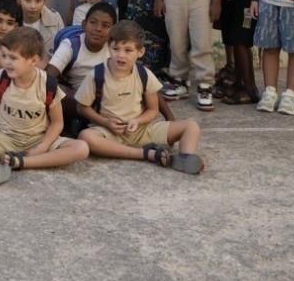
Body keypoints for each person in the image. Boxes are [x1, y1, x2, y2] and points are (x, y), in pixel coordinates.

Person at [0, 27, 90, 186]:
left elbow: (57, 122)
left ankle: (20, 162)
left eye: (13, 58)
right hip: (2, 137)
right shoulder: (2, 77)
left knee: (81, 148)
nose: (6, 62)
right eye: (4, 56)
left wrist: (43, 146)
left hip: (36, 140)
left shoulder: (47, 84)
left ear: (33, 60)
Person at [76, 20, 204, 174]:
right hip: (109, 133)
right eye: (116, 49)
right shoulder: (96, 75)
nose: (121, 55)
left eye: (128, 50)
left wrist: (137, 121)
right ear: (108, 48)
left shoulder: (144, 74)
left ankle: (185, 158)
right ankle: (146, 154)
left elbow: (153, 110)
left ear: (140, 52)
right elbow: (82, 108)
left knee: (191, 126)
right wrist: (106, 122)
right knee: (86, 137)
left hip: (142, 131)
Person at [46, 2, 118, 103]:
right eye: (93, 22)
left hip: (106, 97)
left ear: (113, 30)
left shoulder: (116, 49)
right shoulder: (71, 44)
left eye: (105, 26)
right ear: (84, 25)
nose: (98, 29)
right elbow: (49, 75)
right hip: (75, 97)